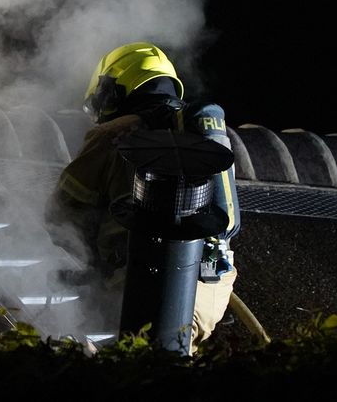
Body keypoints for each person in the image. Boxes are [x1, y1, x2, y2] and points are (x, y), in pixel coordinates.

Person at [46, 41, 240, 352]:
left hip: (138, 284)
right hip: (209, 290)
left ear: (113, 90)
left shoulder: (112, 134)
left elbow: (61, 212)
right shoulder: (203, 135)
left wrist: (91, 261)